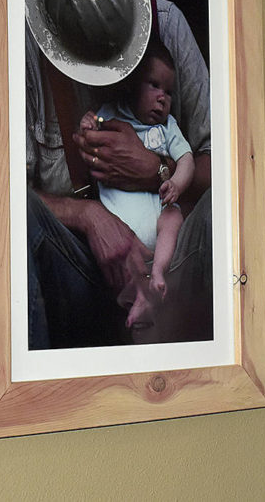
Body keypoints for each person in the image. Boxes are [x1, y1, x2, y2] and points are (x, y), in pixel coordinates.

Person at [24, 0, 212, 349]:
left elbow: (232, 168)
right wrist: (88, 217)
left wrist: (156, 170)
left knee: (229, 210)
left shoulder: (169, 22)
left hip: (169, 257)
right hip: (76, 268)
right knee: (21, 225)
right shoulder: (23, 45)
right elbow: (0, 198)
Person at [79, 37, 194, 330]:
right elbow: (89, 131)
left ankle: (157, 273)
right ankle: (138, 301)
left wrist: (177, 183)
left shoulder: (167, 128)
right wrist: (87, 125)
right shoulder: (111, 113)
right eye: (154, 85)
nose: (162, 97)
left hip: (158, 224)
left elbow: (187, 159)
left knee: (174, 217)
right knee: (119, 261)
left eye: (169, 92)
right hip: (121, 231)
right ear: (132, 85)